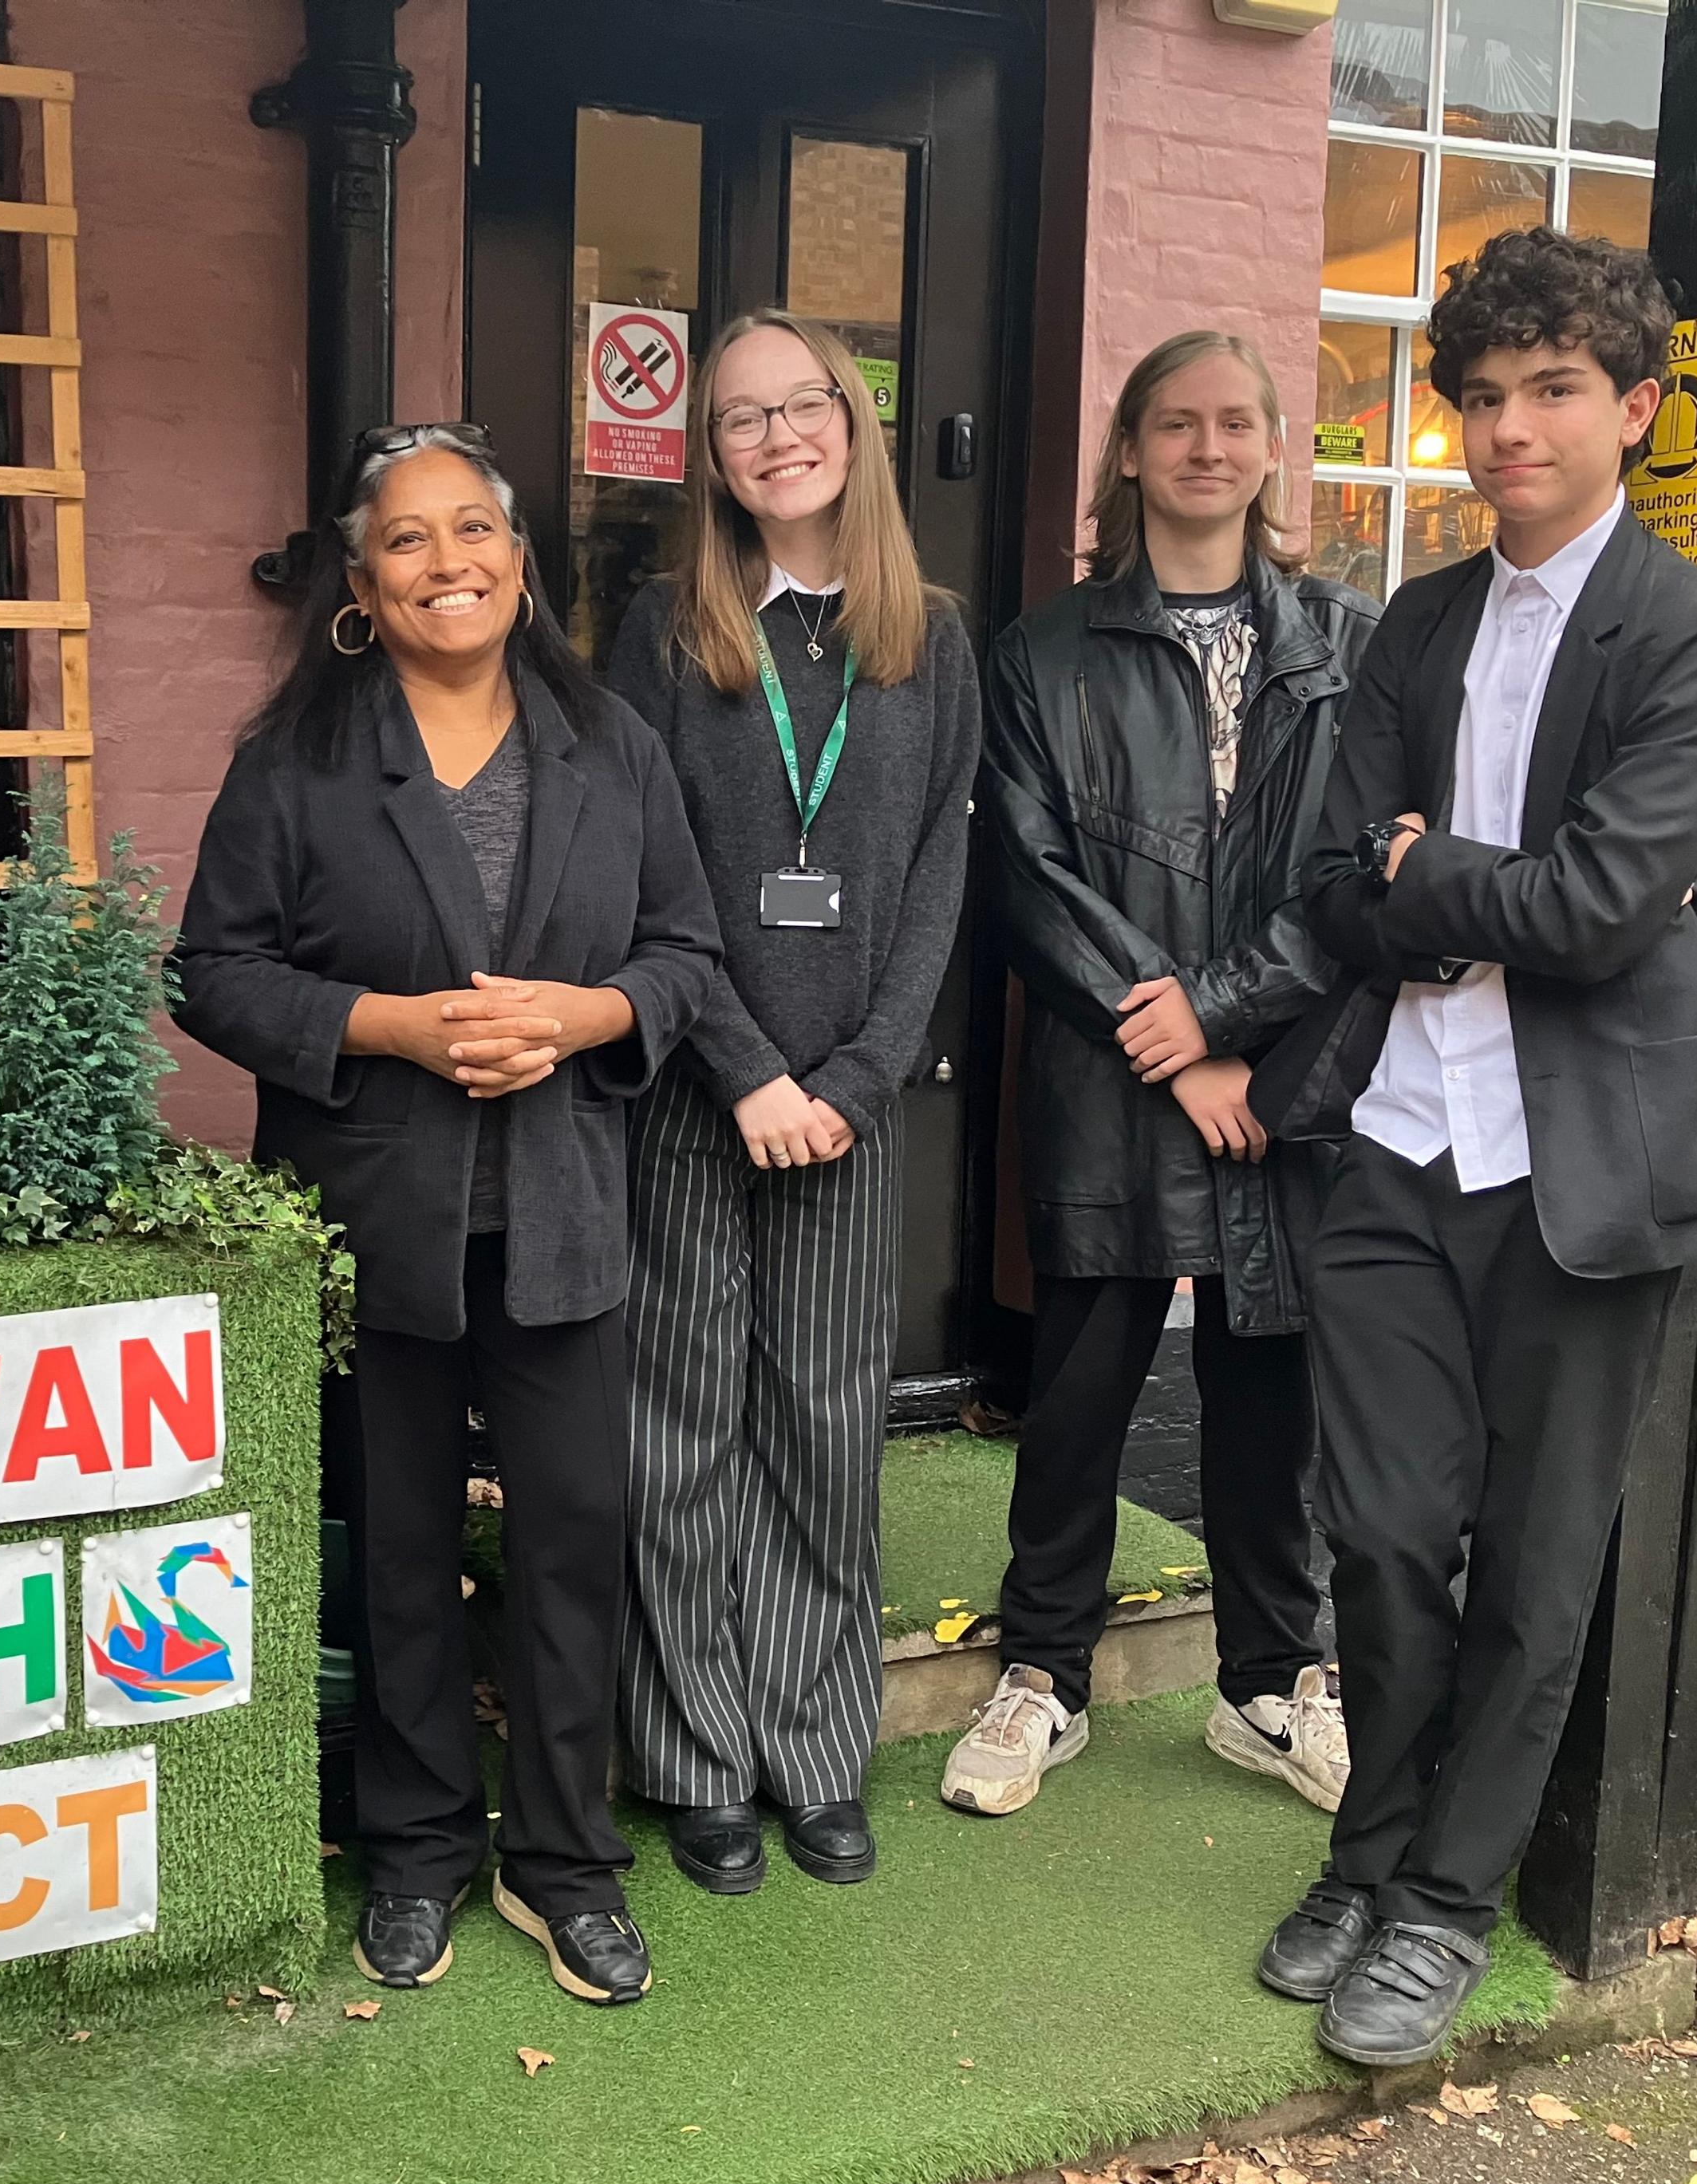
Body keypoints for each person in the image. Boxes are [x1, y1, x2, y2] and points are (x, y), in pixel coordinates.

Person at [1260, 229, 1697, 2065]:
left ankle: (1449, 1903)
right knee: (1388, 1542)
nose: (1505, 431)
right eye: (1479, 397)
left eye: (1550, 391)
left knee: (1541, 1566)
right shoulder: (1413, 622)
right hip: (1401, 1136)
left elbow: (1609, 906)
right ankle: (1368, 1856)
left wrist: (1447, 883)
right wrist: (1452, 899)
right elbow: (1333, 886)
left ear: (1635, 410)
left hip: (1585, 1170)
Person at [172, 424, 721, 2008]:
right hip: (378, 1214)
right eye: (406, 542)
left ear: (522, 560)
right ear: (361, 585)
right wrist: (390, 1028)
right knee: (400, 1548)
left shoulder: (609, 744)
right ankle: (413, 1851)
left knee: (569, 1544)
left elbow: (685, 953)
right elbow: (216, 968)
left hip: (562, 1214)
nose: (446, 563)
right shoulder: (301, 760)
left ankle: (563, 1864)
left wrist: (588, 1014)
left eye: (473, 529)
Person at [940, 331, 1376, 1824]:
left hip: (1284, 1077)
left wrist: (1237, 1025)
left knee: (1276, 1392)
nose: (1206, 448)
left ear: (1272, 453)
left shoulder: (1342, 643)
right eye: (1174, 424)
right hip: (1114, 1075)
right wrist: (1177, 1043)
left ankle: (1271, 1683)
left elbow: (1356, 874)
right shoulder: (1042, 652)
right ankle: (1043, 1673)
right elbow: (1030, 876)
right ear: (1127, 451)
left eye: (1235, 423)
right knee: (1078, 1392)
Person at [606, 312, 981, 1895]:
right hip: (700, 1094)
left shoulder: (931, 633)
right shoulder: (657, 628)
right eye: (739, 417)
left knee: (826, 1434)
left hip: (850, 1107)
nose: (776, 437)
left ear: (855, 418)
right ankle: (697, 1760)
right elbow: (642, 869)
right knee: (681, 1432)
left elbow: (941, 868)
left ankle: (818, 1755)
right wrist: (745, 1068)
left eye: (801, 404)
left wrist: (856, 1076)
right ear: (711, 453)